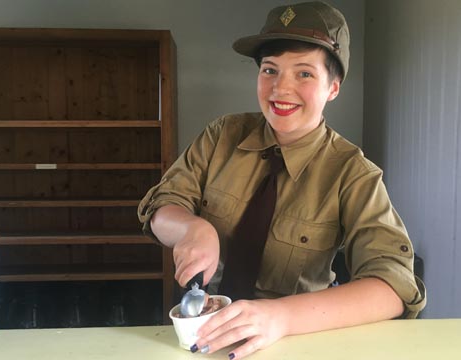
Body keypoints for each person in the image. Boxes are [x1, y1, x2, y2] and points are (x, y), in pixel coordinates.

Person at [138, 1, 426, 359]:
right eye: (270, 70)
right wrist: (192, 228)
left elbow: (394, 286)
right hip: (199, 328)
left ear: (333, 87)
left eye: (304, 73)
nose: (280, 88)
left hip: (296, 339)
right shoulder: (222, 135)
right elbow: (162, 205)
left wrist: (281, 317)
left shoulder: (352, 173)